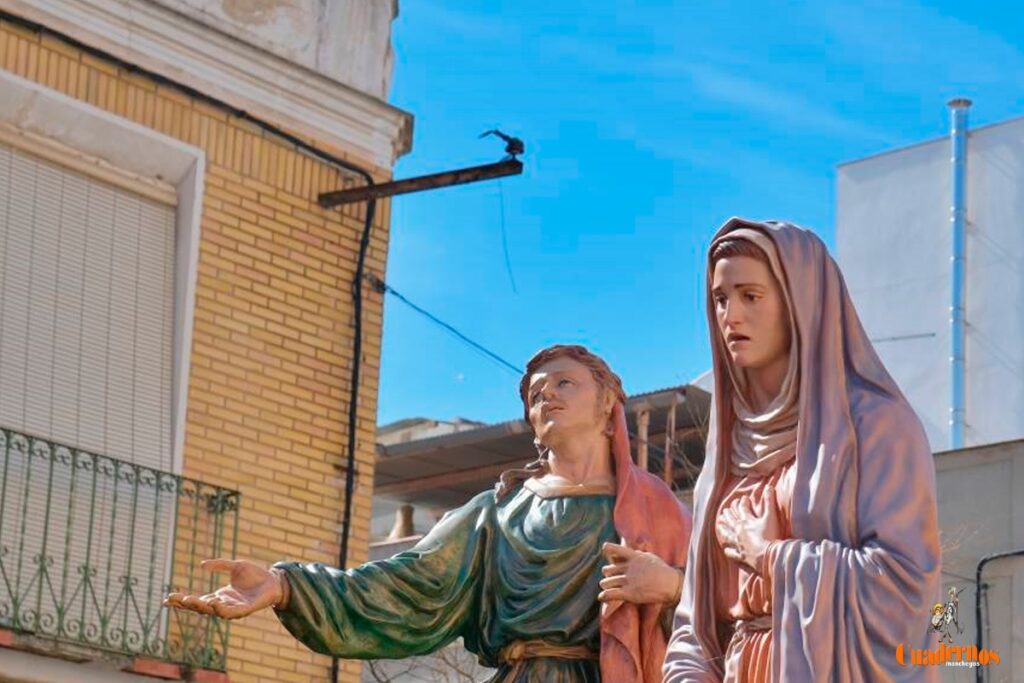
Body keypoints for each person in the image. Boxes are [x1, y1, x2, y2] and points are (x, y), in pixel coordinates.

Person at [166, 344, 692, 682]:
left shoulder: (654, 510)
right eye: (535, 394)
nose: (546, 396)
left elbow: (728, 607)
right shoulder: (496, 515)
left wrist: (670, 586)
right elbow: (405, 586)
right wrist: (286, 585)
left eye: (563, 384)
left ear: (607, 405)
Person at [663, 218, 940, 682]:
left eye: (751, 296)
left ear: (801, 302)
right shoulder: (727, 443)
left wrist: (771, 555)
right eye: (720, 299)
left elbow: (903, 588)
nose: (730, 316)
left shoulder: (873, 424)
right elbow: (694, 621)